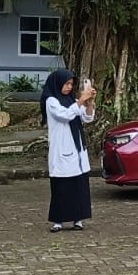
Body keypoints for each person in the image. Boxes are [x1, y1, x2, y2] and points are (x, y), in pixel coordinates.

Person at [41, 68, 97, 232]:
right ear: (57, 83)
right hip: (62, 149)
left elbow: (87, 118)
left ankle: (78, 219)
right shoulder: (51, 101)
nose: (69, 87)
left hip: (77, 148)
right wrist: (80, 100)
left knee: (78, 185)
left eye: (71, 84)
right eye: (66, 84)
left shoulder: (71, 100)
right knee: (61, 186)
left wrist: (90, 102)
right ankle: (58, 221)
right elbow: (64, 115)